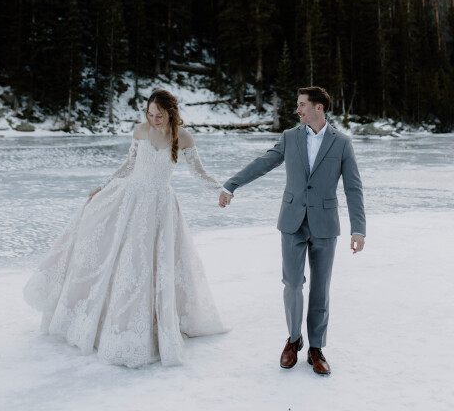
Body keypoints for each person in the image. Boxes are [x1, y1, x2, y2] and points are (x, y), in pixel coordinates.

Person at [24, 89, 227, 367]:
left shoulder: (183, 137)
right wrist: (103, 186)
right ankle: (103, 321)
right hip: (129, 200)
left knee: (149, 264)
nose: (153, 119)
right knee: (117, 259)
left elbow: (199, 172)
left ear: (171, 113)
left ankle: (150, 324)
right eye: (150, 114)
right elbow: (128, 165)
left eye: (159, 115)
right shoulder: (140, 131)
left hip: (159, 207)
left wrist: (220, 190)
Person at [219, 86, 365, 375]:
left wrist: (358, 229)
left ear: (318, 107)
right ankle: (294, 339)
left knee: (321, 288)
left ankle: (316, 348)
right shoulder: (289, 137)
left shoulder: (342, 143)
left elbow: (353, 188)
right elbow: (263, 163)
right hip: (292, 222)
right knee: (293, 284)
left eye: (302, 104)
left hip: (325, 225)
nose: (297, 110)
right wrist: (231, 184)